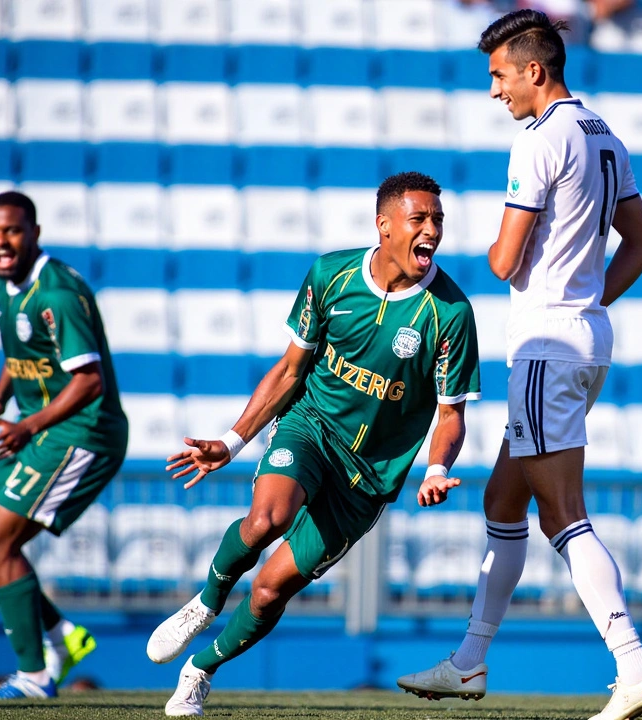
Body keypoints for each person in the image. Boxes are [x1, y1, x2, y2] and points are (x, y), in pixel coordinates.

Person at [397, 10, 642, 720]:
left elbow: (504, 259)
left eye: (499, 75)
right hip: (580, 335)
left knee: (563, 516)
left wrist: (511, 272)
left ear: (534, 70)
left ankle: (633, 663)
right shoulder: (605, 132)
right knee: (502, 501)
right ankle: (469, 662)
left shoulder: (540, 140)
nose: (495, 91)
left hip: (547, 344)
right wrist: (586, 298)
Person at [145, 172, 481, 718]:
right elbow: (288, 370)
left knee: (271, 591)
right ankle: (205, 603)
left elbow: (450, 414)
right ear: (385, 225)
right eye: (419, 219)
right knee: (266, 521)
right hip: (312, 427)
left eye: (438, 220)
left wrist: (437, 467)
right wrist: (231, 443)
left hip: (368, 476)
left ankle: (199, 670)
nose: (432, 230)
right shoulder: (332, 275)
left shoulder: (451, 313)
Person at [0, 191, 129, 700]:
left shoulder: (57, 293)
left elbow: (89, 382)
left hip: (81, 433)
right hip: (36, 427)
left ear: (34, 233)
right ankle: (61, 635)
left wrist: (27, 427)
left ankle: (35, 676)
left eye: (10, 231)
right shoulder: (10, 284)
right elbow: (21, 351)